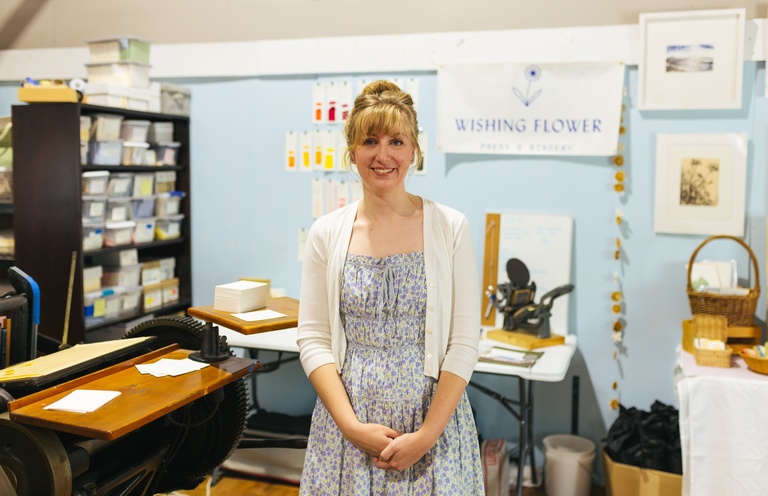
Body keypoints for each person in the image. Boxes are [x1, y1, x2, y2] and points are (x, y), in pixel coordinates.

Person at [297, 80, 484, 494]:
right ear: (352, 151)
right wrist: (351, 427)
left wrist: (426, 436)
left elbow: (464, 342)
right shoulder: (326, 233)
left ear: (414, 150)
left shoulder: (450, 227)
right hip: (348, 426)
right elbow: (313, 339)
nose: (383, 155)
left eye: (396, 141)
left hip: (432, 428)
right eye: (370, 141)